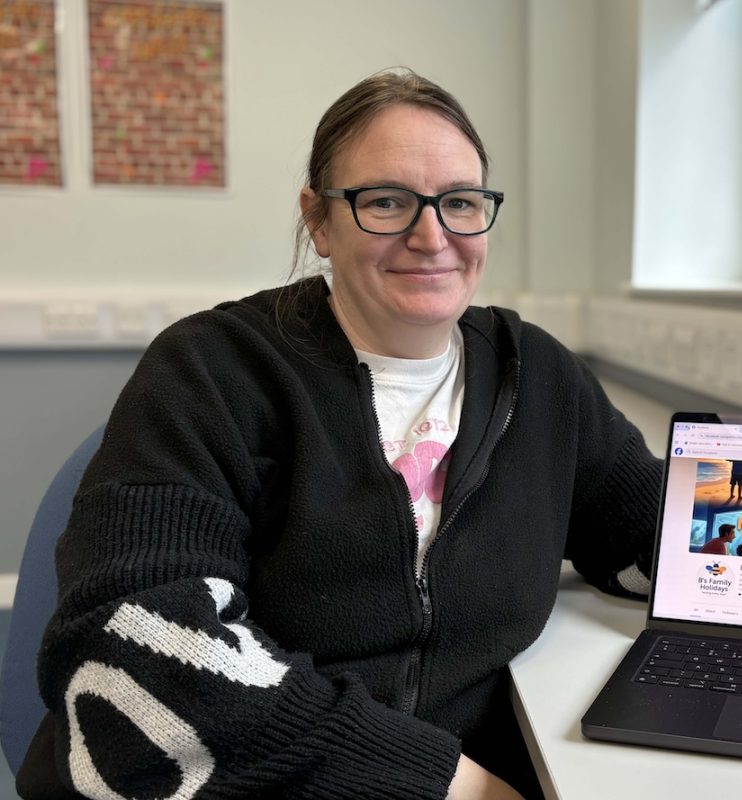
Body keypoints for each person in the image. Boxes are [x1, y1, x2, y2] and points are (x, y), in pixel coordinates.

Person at [20, 69, 663, 800]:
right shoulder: (210, 370)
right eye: (386, 202)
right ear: (320, 221)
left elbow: (650, 535)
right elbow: (137, 650)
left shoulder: (538, 376)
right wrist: (445, 783)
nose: (433, 236)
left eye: (460, 203)